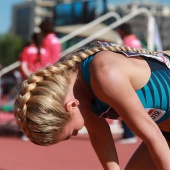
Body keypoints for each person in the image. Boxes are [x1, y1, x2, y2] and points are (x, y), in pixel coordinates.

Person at [14, 41, 170, 170]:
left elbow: (154, 138)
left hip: (160, 136)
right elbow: (99, 135)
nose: (75, 134)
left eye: (72, 132)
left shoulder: (106, 75)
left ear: (71, 106)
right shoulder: (76, 93)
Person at [117, 23, 142, 144]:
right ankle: (130, 133)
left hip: (127, 76)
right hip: (137, 74)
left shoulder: (126, 41)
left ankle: (128, 133)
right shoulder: (136, 40)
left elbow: (123, 59)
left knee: (123, 105)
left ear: (122, 31)